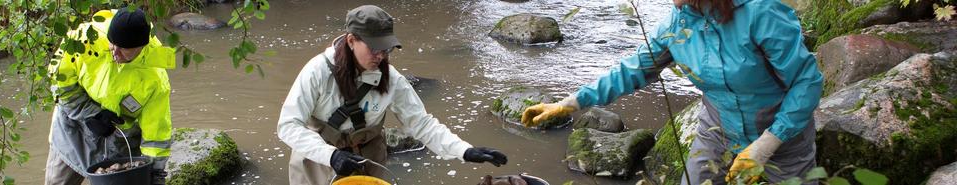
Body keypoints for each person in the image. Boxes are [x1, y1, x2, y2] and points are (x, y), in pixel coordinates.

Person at [521, 0, 823, 184]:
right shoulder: (678, 22)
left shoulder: (762, 12)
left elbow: (807, 82)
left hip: (783, 137)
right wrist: (570, 103)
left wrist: (767, 144)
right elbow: (632, 70)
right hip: (717, 131)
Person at [278, 5, 508, 184]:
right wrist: (331, 156)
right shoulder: (317, 71)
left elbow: (421, 123)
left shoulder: (392, 78)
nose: (381, 56)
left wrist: (465, 151)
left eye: (386, 48)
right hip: (319, 158)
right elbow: (288, 125)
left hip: (368, 157)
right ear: (351, 41)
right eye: (374, 48)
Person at [45, 8, 174, 185]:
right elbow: (59, 82)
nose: (115, 52)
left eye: (124, 49)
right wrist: (91, 113)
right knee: (57, 182)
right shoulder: (84, 39)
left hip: (118, 141)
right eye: (113, 44)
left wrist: (155, 174)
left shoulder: (155, 80)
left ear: (141, 47)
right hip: (74, 127)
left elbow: (156, 136)